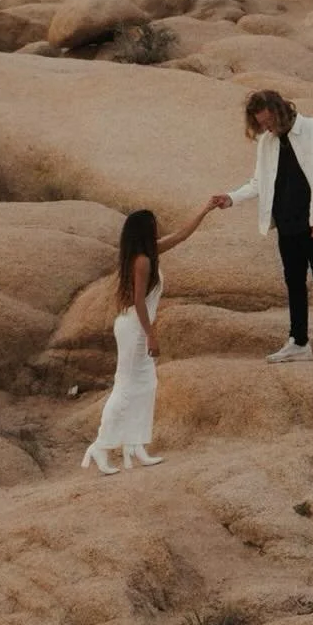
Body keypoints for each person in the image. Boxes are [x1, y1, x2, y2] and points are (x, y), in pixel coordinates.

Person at [213, 88, 313, 372]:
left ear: (280, 111)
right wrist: (231, 198)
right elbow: (258, 182)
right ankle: (300, 342)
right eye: (261, 124)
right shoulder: (267, 142)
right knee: (293, 281)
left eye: (268, 121)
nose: (266, 128)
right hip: (286, 222)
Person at [82, 200, 217, 475]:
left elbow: (181, 236)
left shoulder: (148, 253)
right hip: (135, 327)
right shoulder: (142, 261)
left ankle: (135, 445)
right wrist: (151, 335)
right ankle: (101, 446)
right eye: (153, 225)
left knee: (146, 385)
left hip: (136, 326)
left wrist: (205, 209)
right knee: (125, 387)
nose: (157, 228)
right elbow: (139, 301)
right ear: (145, 230)